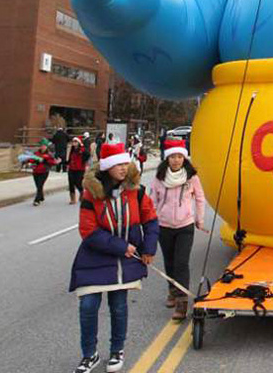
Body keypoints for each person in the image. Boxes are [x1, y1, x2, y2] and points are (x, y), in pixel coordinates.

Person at [69, 143, 159, 373]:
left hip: (126, 259)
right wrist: (121, 246)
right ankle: (89, 354)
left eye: (125, 163)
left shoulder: (137, 191)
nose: (123, 168)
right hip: (96, 256)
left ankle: (116, 350)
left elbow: (151, 221)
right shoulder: (92, 194)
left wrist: (148, 249)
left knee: (118, 306)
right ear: (107, 166)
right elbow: (88, 231)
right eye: (118, 164)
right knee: (88, 305)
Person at [150, 138, 206, 321]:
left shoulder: (191, 178)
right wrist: (152, 221)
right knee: (169, 262)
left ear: (184, 158)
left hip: (185, 226)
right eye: (172, 156)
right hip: (164, 226)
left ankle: (182, 304)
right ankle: (172, 291)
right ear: (167, 159)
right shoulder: (159, 178)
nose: (176, 160)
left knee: (181, 263)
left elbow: (199, 198)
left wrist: (200, 219)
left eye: (179, 156)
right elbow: (153, 201)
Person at [31, 139, 60, 205]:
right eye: (41, 146)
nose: (43, 147)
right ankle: (41, 197)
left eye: (44, 146)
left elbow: (53, 162)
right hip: (36, 171)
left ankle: (37, 200)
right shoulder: (36, 153)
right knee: (38, 185)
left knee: (40, 185)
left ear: (46, 147)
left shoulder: (49, 154)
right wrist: (33, 161)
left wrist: (47, 161)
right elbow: (31, 160)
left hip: (44, 172)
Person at [67, 136, 90, 204]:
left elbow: (88, 154)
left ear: (79, 143)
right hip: (71, 168)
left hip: (80, 169)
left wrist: (83, 161)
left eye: (75, 141)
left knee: (78, 182)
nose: (74, 143)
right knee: (71, 183)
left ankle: (82, 193)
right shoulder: (72, 149)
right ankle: (73, 199)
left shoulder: (82, 150)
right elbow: (69, 158)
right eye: (73, 141)